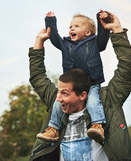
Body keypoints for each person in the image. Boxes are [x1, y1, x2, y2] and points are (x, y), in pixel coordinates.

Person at [28, 12, 131, 161]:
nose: (58, 98)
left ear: (83, 95)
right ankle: (53, 130)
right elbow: (38, 77)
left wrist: (117, 31)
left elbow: (127, 69)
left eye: (64, 93)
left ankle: (97, 126)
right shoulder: (56, 101)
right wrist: (39, 41)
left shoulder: (108, 100)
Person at [37, 10, 110, 144]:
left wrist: (102, 19)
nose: (72, 28)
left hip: (92, 82)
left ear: (88, 32)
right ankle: (53, 128)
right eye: (71, 26)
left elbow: (104, 36)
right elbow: (54, 37)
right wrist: (50, 21)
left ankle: (97, 126)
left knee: (93, 102)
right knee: (59, 102)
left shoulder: (95, 43)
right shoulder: (65, 44)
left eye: (77, 26)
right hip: (72, 85)